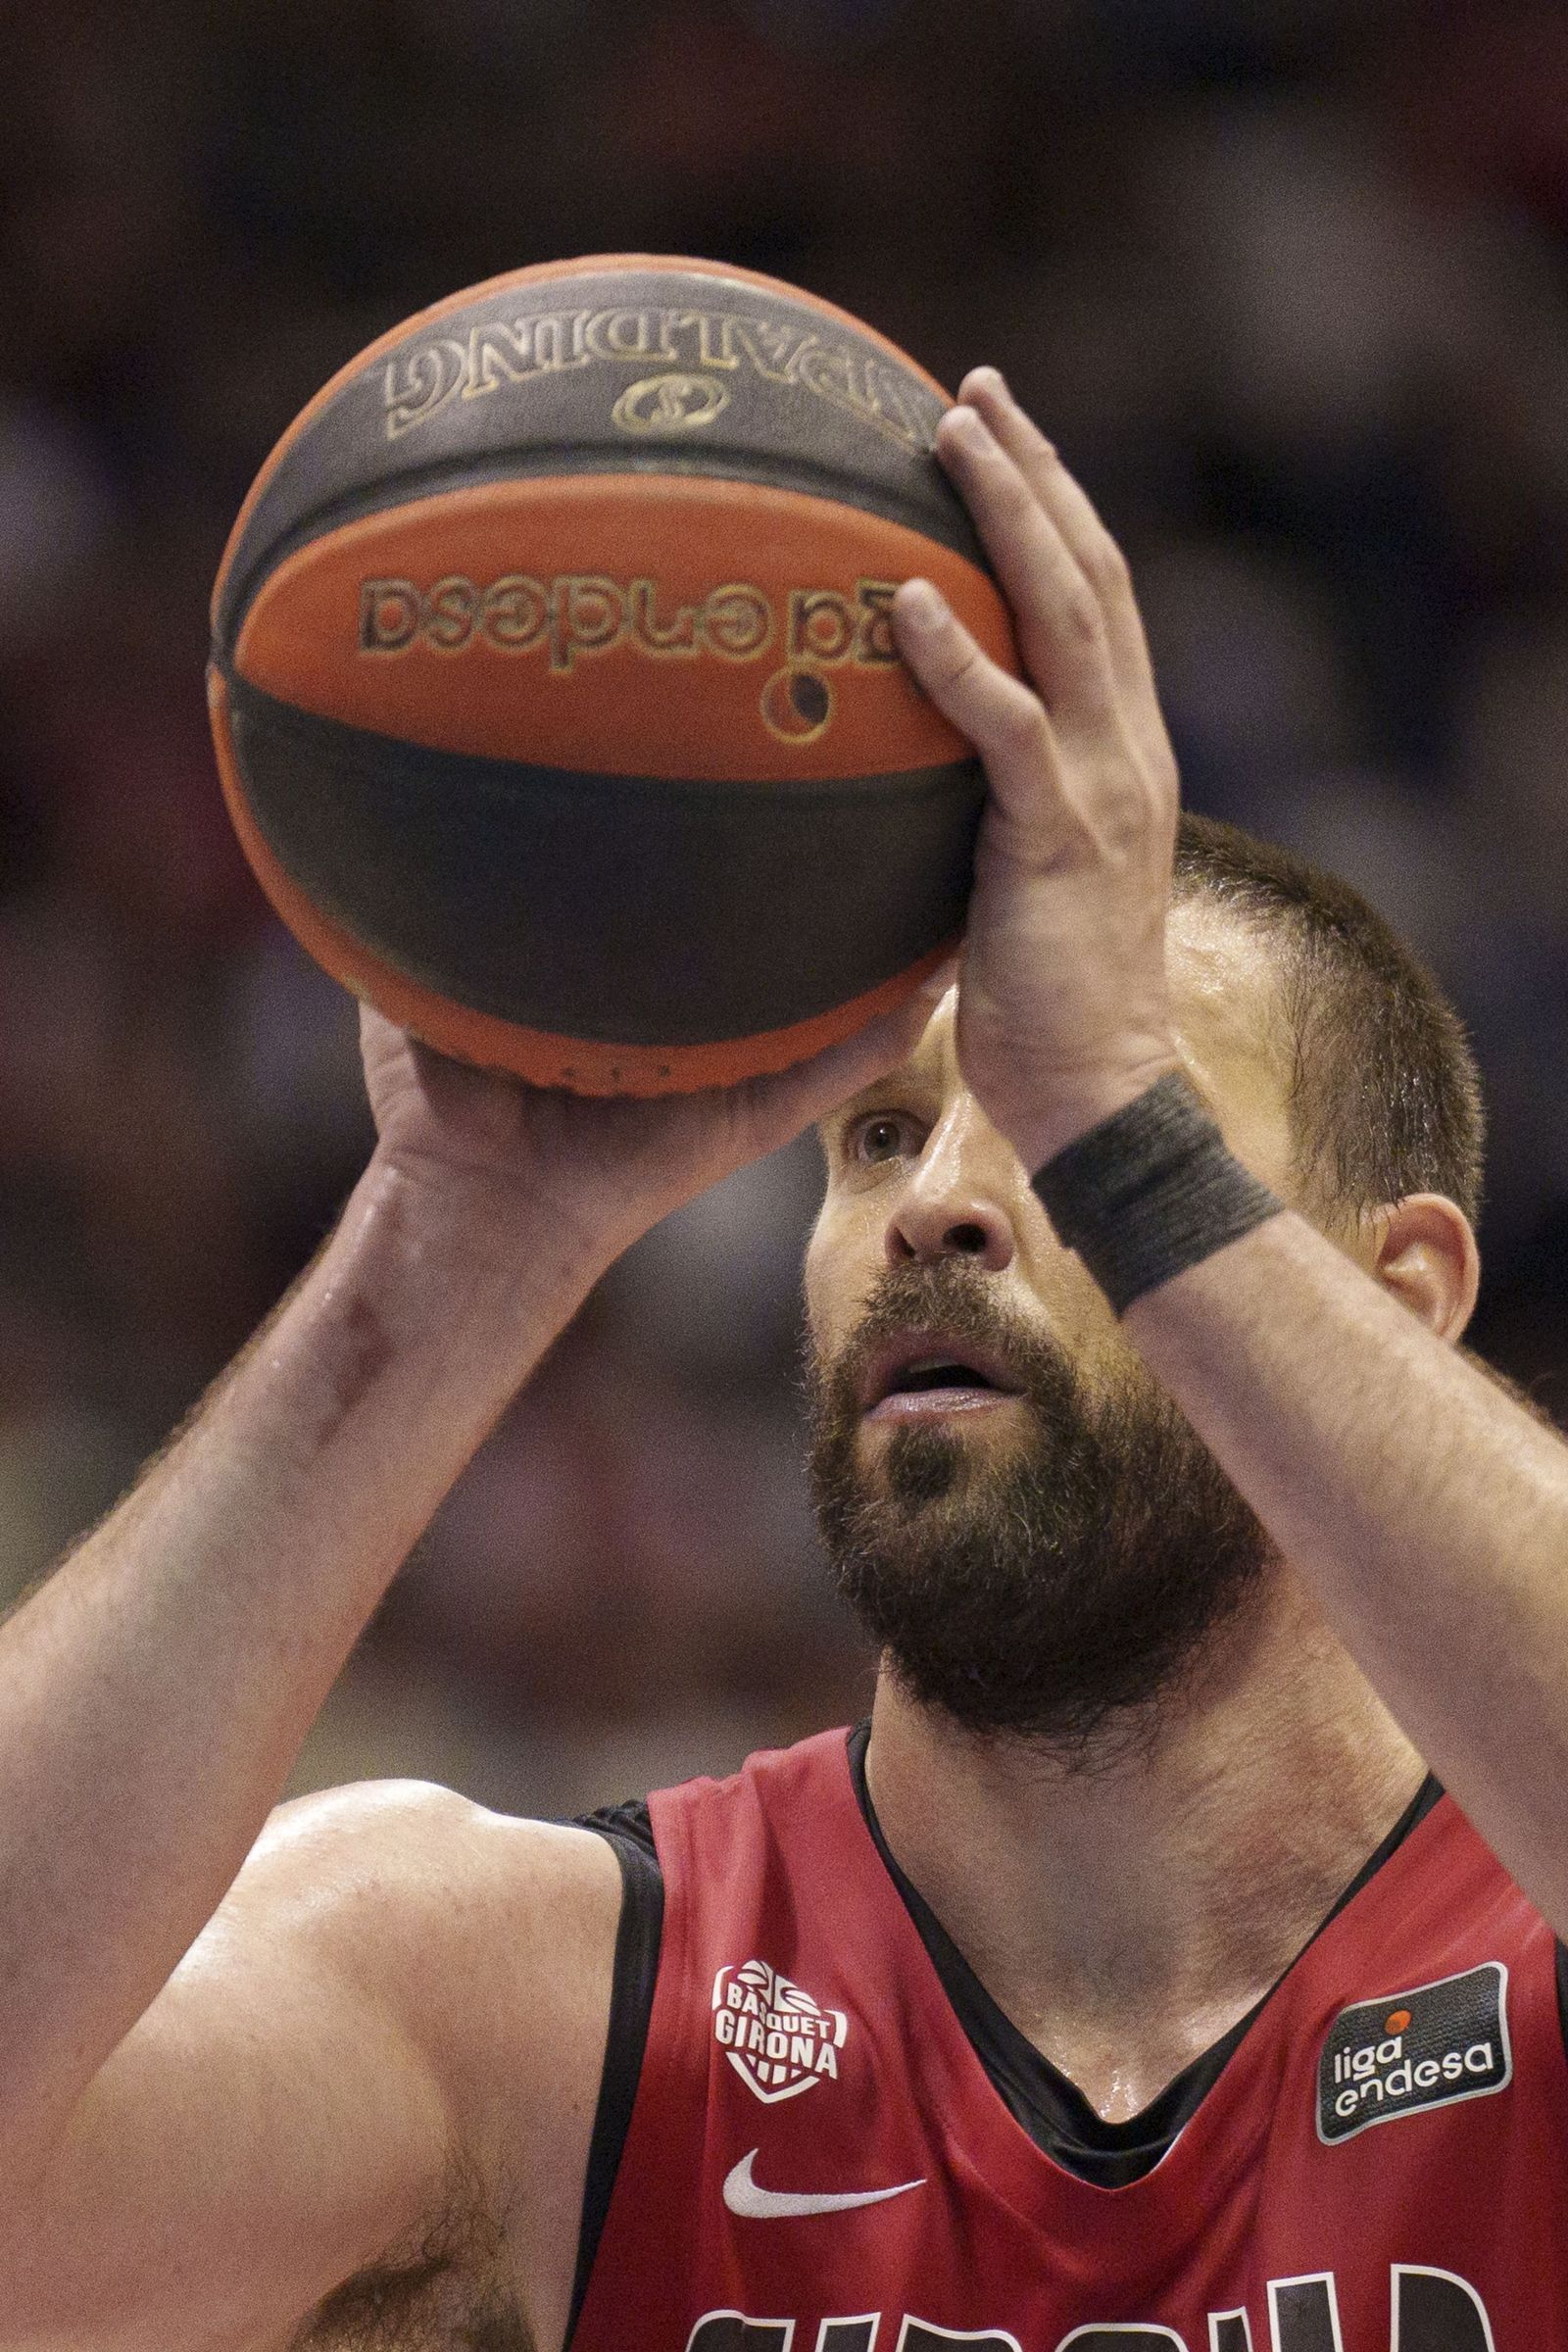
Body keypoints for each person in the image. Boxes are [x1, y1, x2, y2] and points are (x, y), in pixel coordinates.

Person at [1, 368, 1564, 2352]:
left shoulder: (1515, 1962)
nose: (939, 1203)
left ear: (1395, 1290)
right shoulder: (537, 2002)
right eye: (882, 1133)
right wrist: (453, 1243)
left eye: (1084, 1127)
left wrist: (1120, 1140)